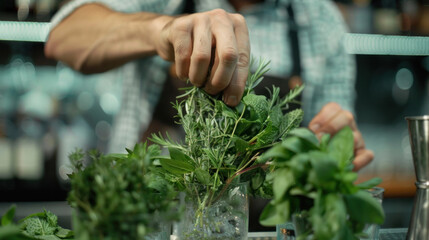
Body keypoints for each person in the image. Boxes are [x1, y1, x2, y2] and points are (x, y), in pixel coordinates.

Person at [44, 0, 373, 171]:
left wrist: (337, 144)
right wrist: (159, 31)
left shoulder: (321, 19)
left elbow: (339, 148)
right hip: (146, 219)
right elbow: (61, 38)